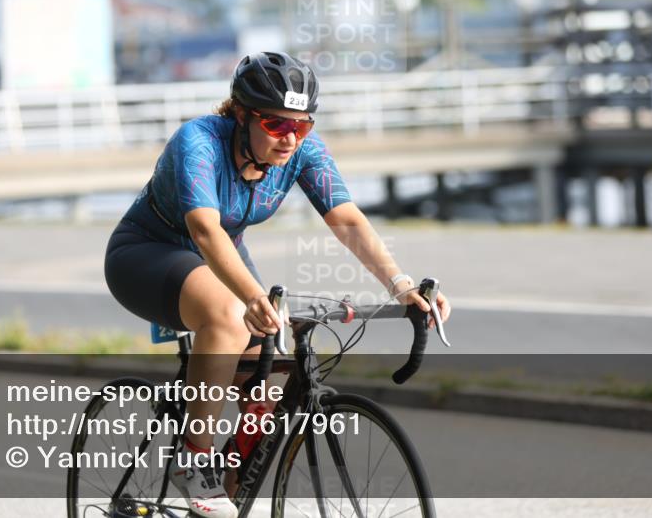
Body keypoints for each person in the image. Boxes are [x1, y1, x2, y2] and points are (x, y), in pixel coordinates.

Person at [104, 51, 451, 518]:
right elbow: (204, 230)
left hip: (221, 257)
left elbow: (346, 220)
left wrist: (400, 285)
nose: (290, 138)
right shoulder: (199, 141)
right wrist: (251, 297)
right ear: (241, 115)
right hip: (148, 253)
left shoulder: (302, 150)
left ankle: (222, 499)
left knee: (267, 394)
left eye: (302, 126)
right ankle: (193, 459)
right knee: (230, 316)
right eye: (276, 125)